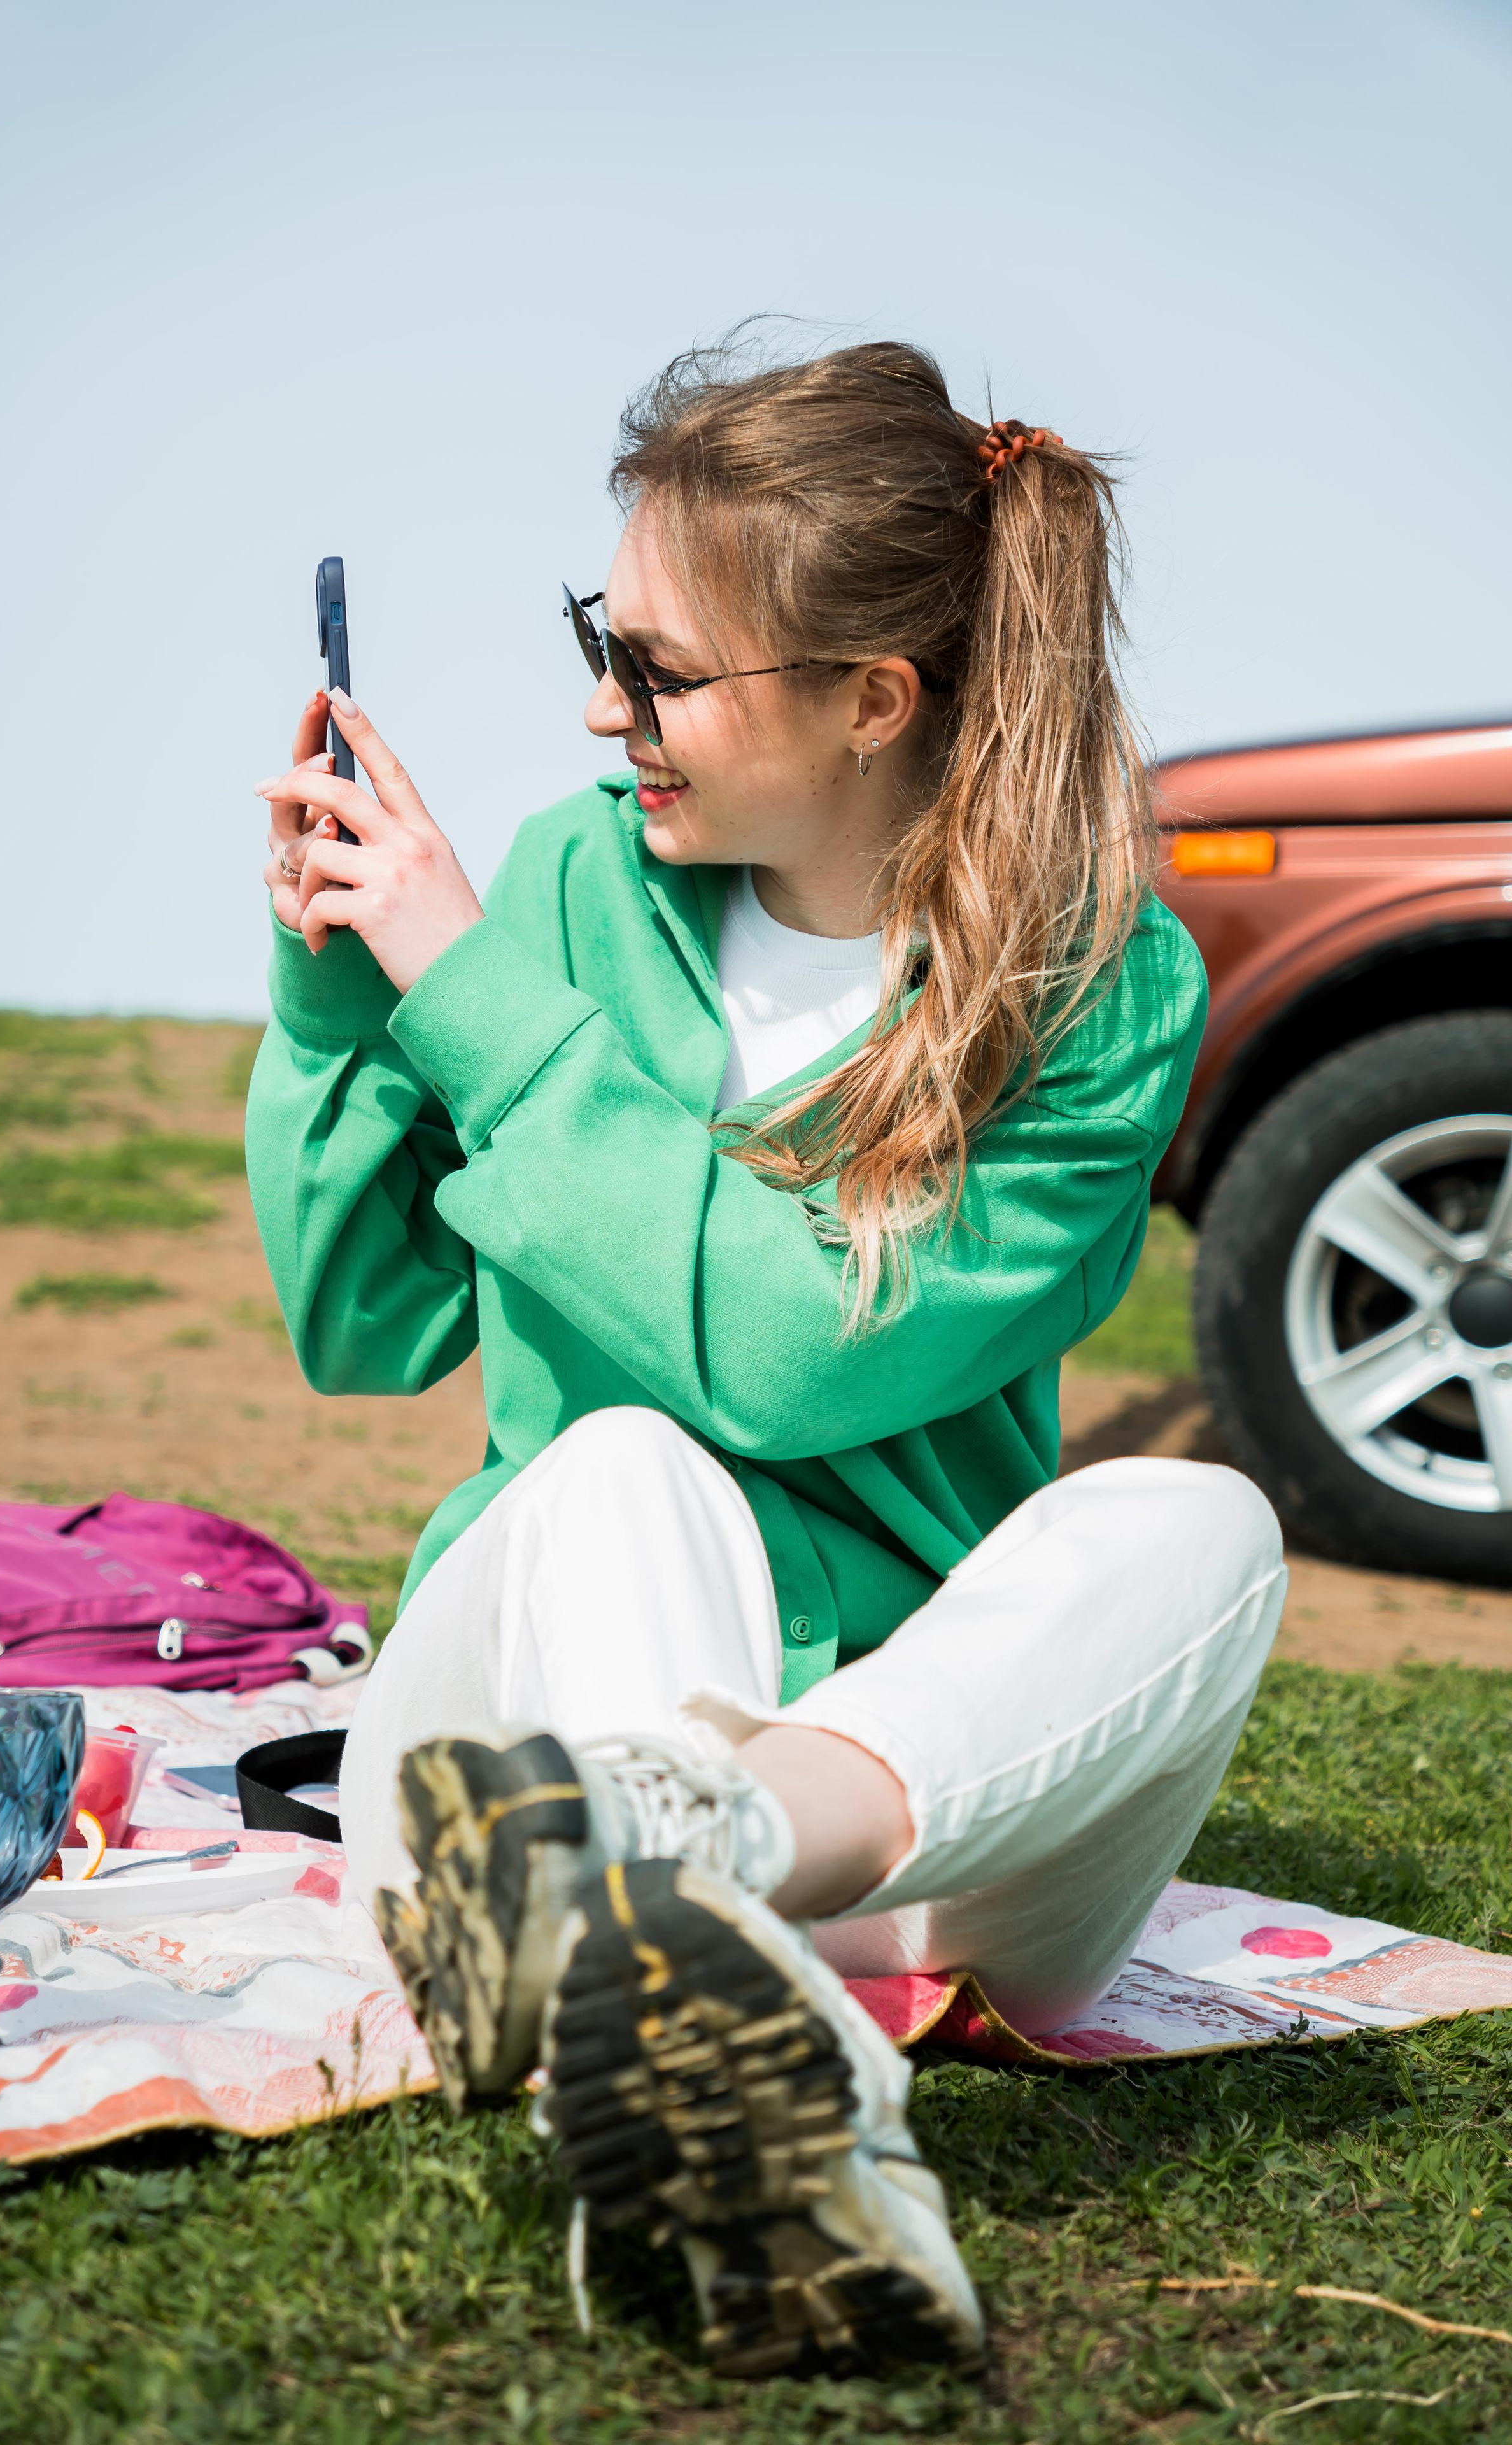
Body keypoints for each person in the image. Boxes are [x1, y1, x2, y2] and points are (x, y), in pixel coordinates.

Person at [247, 339, 1285, 2379]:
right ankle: (727, 2039)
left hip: (915, 1806)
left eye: (655, 667)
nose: (595, 706)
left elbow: (800, 1357)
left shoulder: (1095, 979)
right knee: (625, 1469)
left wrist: (488, 1018)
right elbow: (362, 1328)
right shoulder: (553, 885)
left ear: (870, 699)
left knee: (1202, 1522)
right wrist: (335, 1009)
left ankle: (687, 1856)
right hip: (522, 1742)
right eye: (596, 637)